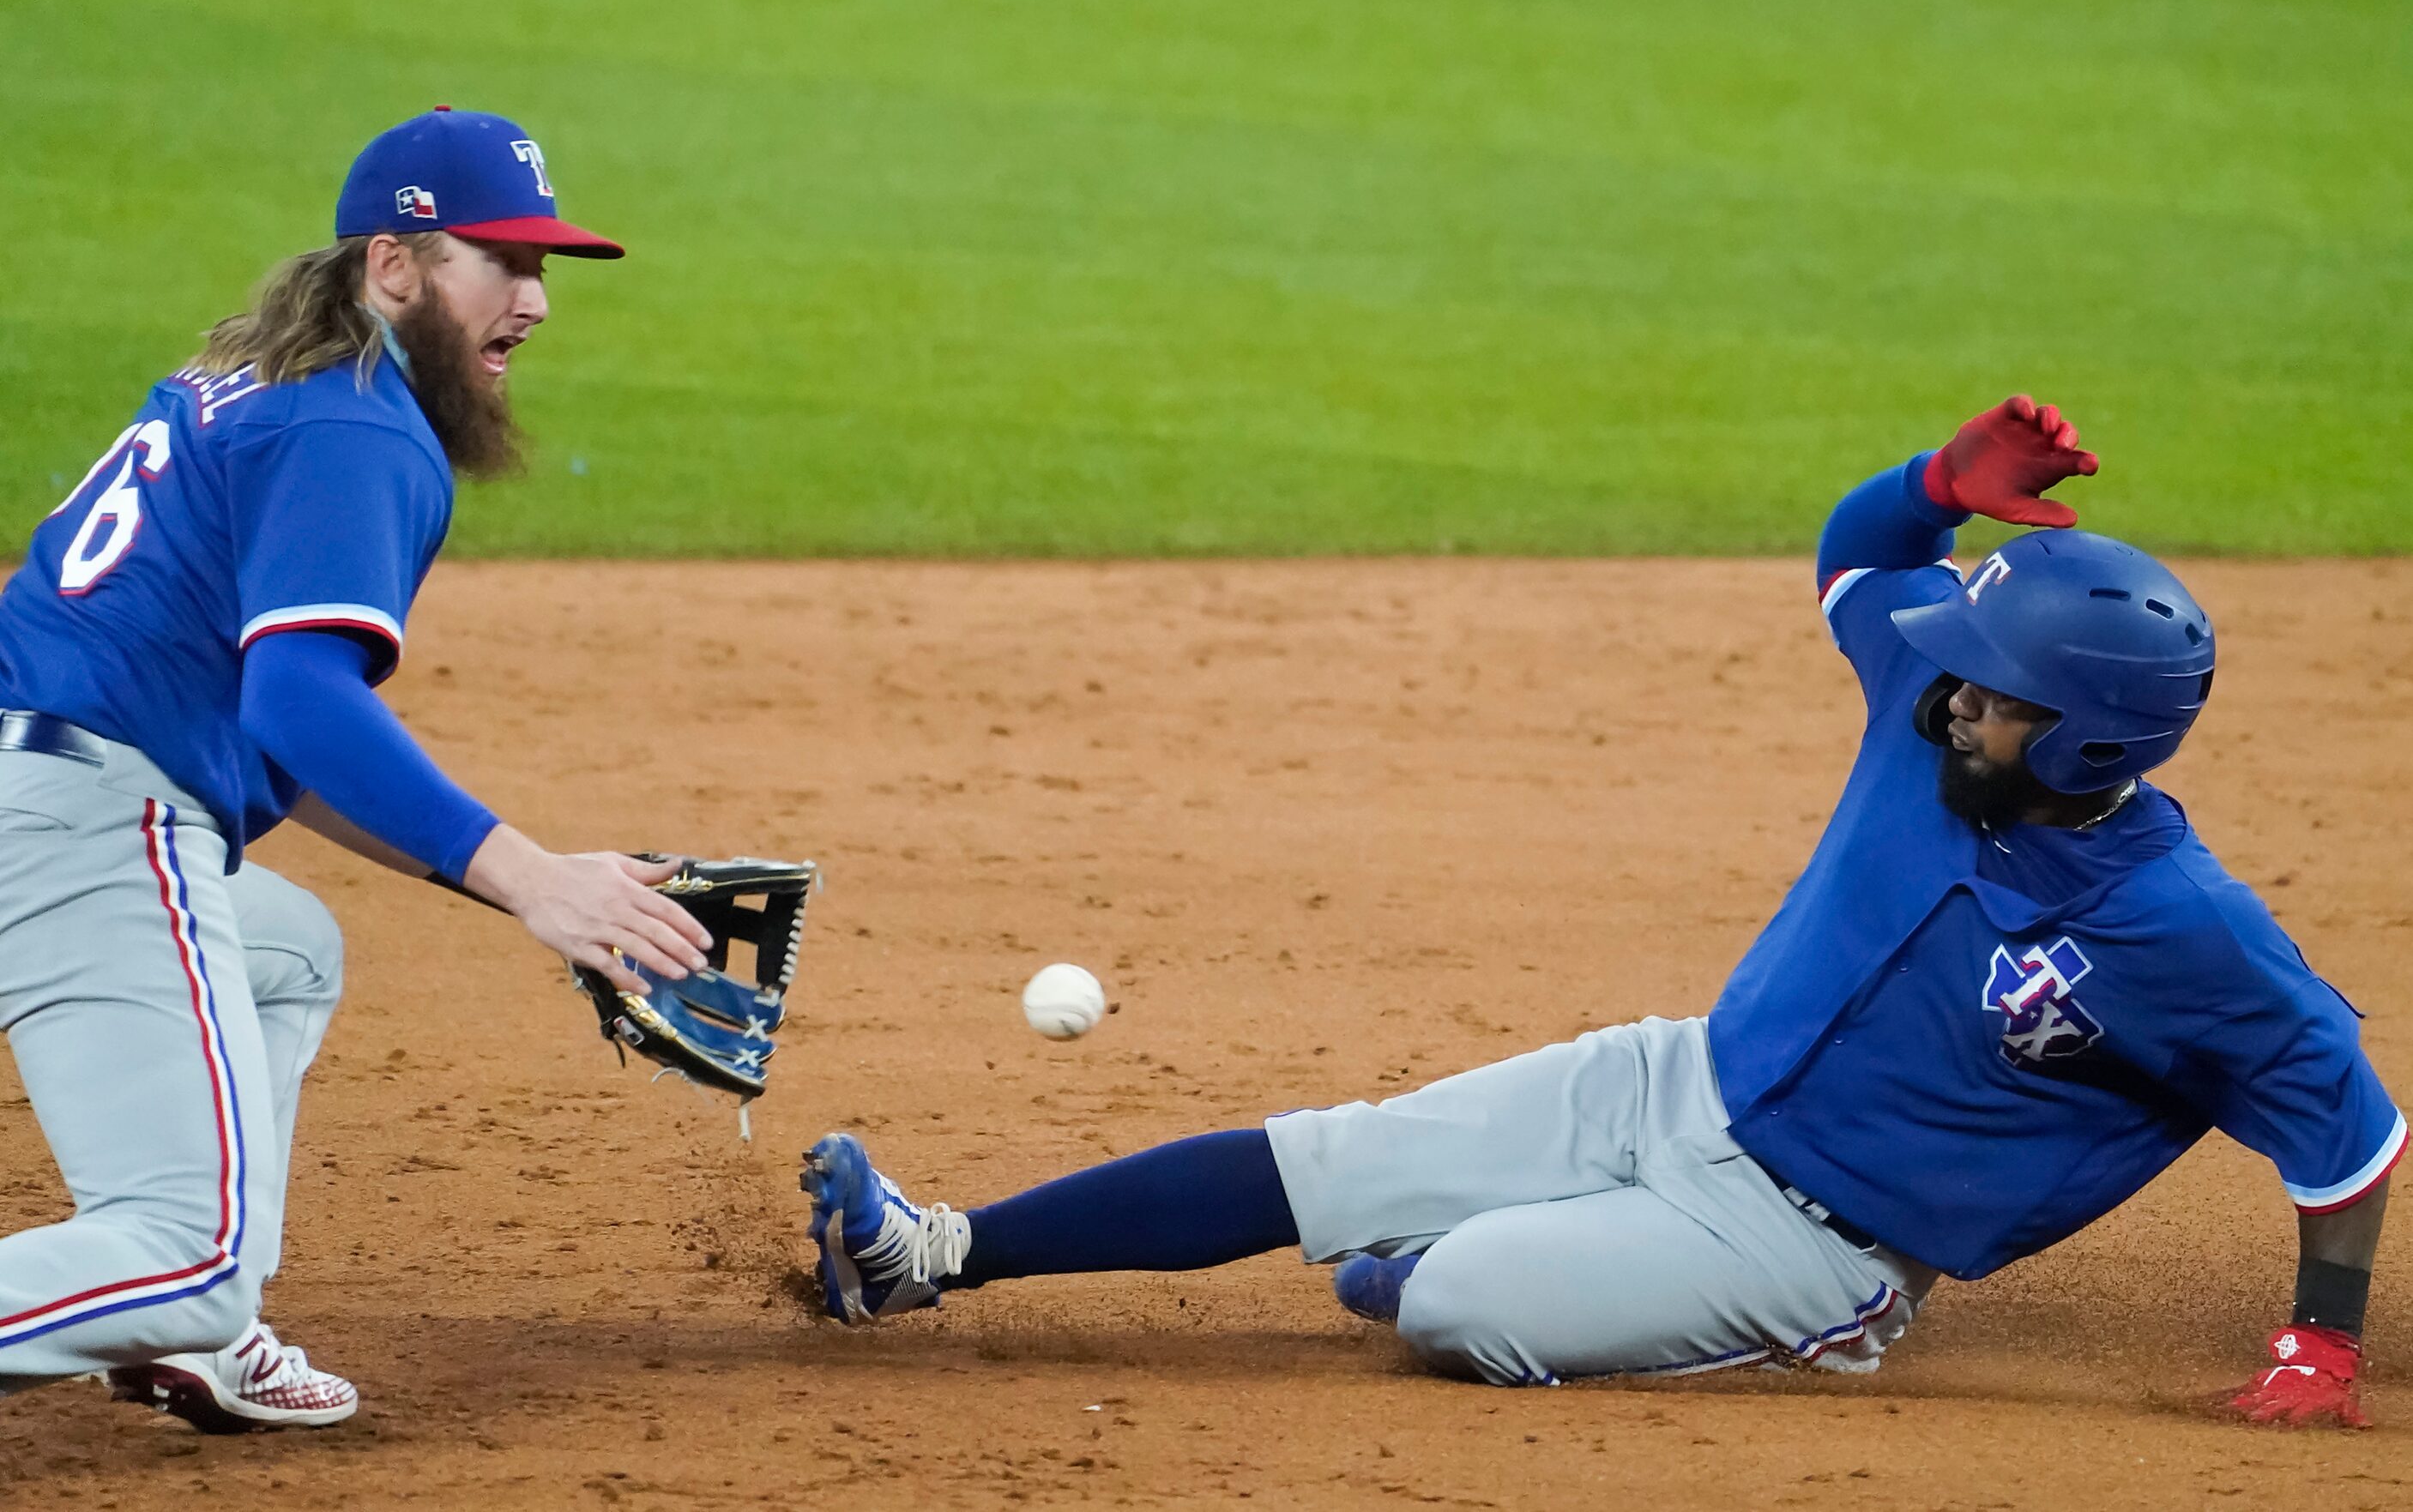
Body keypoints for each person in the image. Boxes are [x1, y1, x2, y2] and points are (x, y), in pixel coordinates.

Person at [799, 397, 2397, 1428]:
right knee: (1333, 1159)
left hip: (1806, 1246)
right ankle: (930, 1253)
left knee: (1444, 1300)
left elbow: (2349, 1126)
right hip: (1675, 1076)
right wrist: (1931, 486)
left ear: (2088, 739)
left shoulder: (2183, 930)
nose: (1943, 703)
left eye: (1991, 698)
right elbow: (1859, 562)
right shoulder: (1935, 700)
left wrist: (2320, 1347)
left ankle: (1515, 1268)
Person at [0, 109, 711, 1431]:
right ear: (395, 267)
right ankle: (195, 1305)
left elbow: (273, 736)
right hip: (83, 821)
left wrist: (525, 884)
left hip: (31, 789)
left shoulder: (256, 377)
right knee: (185, 1259)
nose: (536, 301)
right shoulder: (360, 430)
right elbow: (303, 700)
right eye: (500, 262)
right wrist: (532, 877)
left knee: (289, 949)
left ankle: (209, 1342)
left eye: (543, 268)